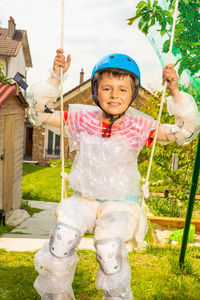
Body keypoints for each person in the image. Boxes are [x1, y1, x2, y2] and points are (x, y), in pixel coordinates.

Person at [30, 49, 200, 300]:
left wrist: (174, 92)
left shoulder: (140, 125)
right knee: (61, 241)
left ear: (132, 94)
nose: (114, 95)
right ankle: (56, 295)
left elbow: (185, 132)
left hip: (120, 204)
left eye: (122, 89)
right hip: (83, 200)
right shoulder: (81, 119)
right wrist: (56, 77)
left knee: (110, 253)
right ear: (95, 92)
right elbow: (40, 114)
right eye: (107, 88)